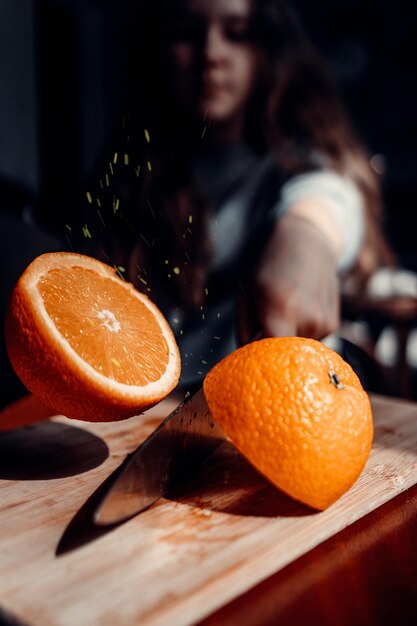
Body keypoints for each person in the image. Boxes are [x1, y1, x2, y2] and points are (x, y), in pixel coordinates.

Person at [69, 0, 395, 391]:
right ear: (157, 49)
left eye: (237, 34)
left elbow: (328, 194)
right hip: (145, 403)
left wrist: (307, 239)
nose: (211, 54)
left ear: (269, 50)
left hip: (259, 399)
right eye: (186, 34)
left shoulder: (294, 162)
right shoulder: (129, 175)